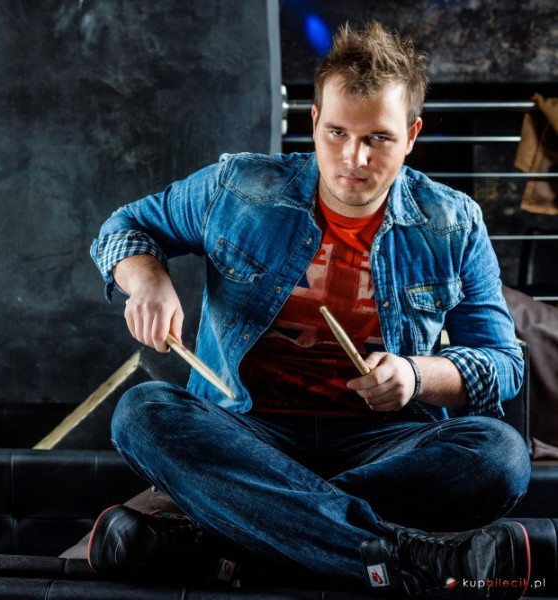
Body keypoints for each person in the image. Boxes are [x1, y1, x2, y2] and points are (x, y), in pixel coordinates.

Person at [87, 20, 532, 599]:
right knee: (142, 411)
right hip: (247, 432)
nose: (353, 157)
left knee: (501, 455)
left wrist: (417, 375)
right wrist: (147, 281)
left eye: (378, 138)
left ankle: (226, 536)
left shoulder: (453, 222)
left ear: (412, 135)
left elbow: (503, 363)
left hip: (383, 443)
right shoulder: (240, 188)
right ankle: (403, 556)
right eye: (338, 132)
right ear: (314, 122)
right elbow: (124, 227)